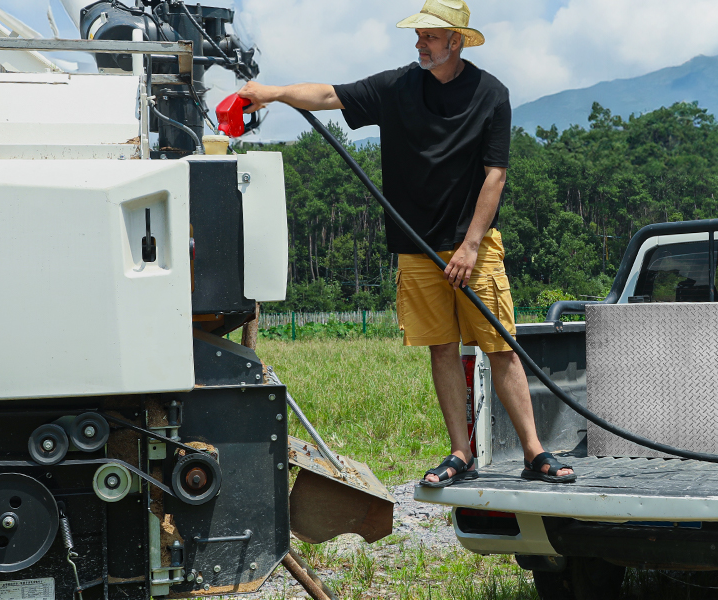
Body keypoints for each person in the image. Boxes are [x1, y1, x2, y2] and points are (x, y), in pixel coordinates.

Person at [235, 0, 574, 487]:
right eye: (418, 36)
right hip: (416, 249)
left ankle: (534, 452)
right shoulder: (396, 87)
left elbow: (494, 175)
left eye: (430, 37)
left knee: (500, 347)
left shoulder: (491, 94)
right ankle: (461, 453)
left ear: (455, 42)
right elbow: (329, 94)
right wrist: (271, 93)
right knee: (441, 348)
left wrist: (471, 245)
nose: (420, 44)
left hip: (472, 247)